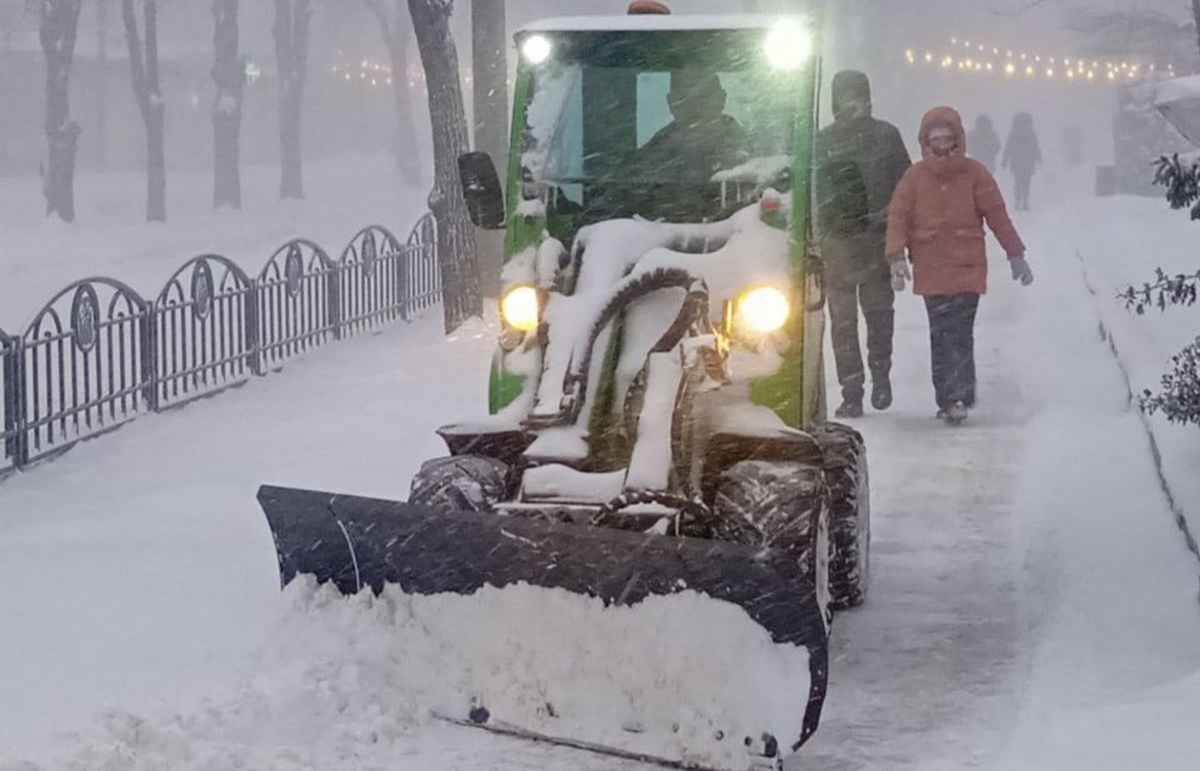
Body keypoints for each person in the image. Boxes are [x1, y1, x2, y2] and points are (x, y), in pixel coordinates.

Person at [884, 106, 1033, 425]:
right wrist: (896, 256)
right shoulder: (914, 178)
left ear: (957, 139)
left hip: (966, 269)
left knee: (961, 333)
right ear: (925, 141)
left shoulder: (975, 174)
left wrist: (1015, 254)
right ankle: (948, 397)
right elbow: (898, 217)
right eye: (935, 139)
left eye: (947, 138)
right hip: (931, 269)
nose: (941, 145)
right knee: (940, 335)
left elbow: (997, 216)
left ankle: (960, 394)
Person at [815, 70, 912, 418]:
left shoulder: (886, 136)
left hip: (876, 241)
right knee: (843, 325)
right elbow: (813, 195)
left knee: (878, 316)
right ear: (835, 99)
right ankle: (852, 391)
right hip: (838, 244)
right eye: (845, 94)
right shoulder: (821, 142)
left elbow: (907, 189)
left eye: (856, 93)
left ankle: (881, 375)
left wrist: (903, 240)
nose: (851, 101)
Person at [625, 68, 750, 220]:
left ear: (721, 99)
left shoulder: (760, 158)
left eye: (703, 97)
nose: (694, 107)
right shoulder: (642, 166)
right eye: (684, 98)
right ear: (671, 103)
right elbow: (617, 219)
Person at [1001, 112, 1042, 211]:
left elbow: (1008, 148)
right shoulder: (1031, 135)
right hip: (1026, 162)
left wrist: (1005, 160)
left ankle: (1018, 201)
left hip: (1017, 162)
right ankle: (1024, 201)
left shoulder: (1014, 135)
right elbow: (1035, 148)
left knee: (1018, 182)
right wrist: (1039, 158)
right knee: (1026, 183)